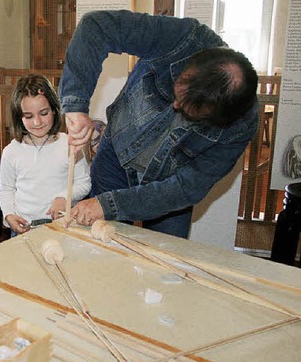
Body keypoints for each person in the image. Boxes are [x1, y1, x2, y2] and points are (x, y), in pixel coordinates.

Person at [59, 10, 259, 238]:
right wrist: (75, 105)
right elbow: (97, 26)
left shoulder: (240, 126)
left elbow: (185, 188)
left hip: (167, 189)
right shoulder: (183, 38)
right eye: (177, 89)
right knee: (100, 247)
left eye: (189, 110)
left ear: (220, 118)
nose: (174, 105)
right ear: (192, 62)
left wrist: (110, 205)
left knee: (165, 261)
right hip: (116, 156)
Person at [0, 74, 90, 236]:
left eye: (44, 113)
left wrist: (64, 198)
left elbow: (84, 183)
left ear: (55, 110)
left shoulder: (71, 145)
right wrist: (9, 215)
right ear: (19, 117)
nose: (37, 122)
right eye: (29, 116)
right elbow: (6, 189)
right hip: (24, 229)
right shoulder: (11, 152)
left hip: (61, 227)